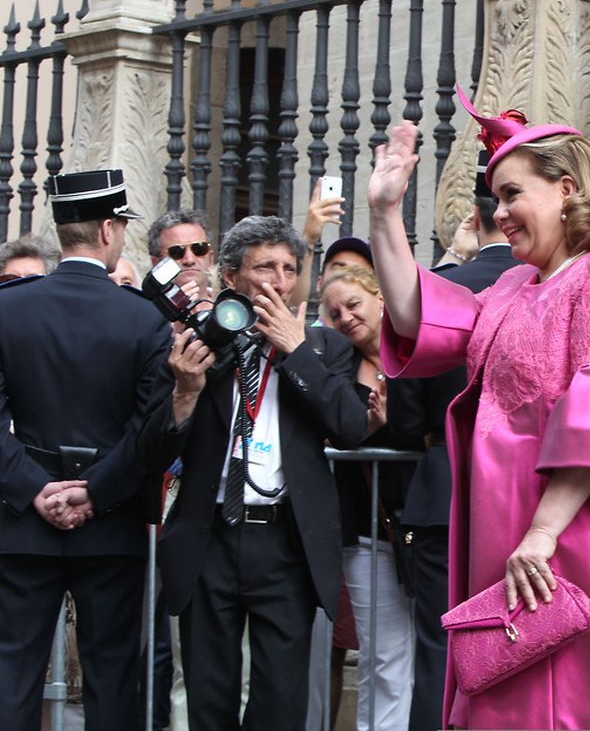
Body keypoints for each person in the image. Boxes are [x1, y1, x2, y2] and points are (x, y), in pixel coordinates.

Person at [368, 91, 590, 729]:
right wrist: (385, 213)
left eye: (511, 194)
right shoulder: (509, 286)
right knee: (504, 695)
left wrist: (543, 532)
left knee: (569, 703)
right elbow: (416, 317)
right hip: (511, 534)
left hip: (573, 531)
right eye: (494, 198)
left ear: (566, 190)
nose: (498, 213)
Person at [145, 215, 367, 730]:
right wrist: (185, 393)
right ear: (229, 276)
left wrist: (296, 351)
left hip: (285, 542)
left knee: (280, 701)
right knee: (210, 698)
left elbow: (351, 426)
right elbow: (151, 450)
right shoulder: (198, 346)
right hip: (210, 539)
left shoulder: (325, 349)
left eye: (290, 269)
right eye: (266, 266)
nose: (281, 281)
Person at [0, 168, 170, 730]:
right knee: (112, 675)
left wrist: (33, 488)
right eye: (121, 226)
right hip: (111, 522)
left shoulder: (9, 308)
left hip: (25, 520)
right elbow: (148, 432)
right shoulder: (145, 318)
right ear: (106, 230)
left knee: (12, 671)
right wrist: (94, 492)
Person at [385, 148, 521, 731]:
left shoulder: (443, 288)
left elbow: (406, 414)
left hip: (443, 490)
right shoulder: (549, 288)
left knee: (440, 646)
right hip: (525, 495)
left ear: (476, 212)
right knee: (522, 640)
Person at [320, 263, 421, 731]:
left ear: (381, 299)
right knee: (380, 654)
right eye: (335, 312)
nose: (346, 317)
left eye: (353, 304)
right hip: (367, 530)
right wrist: (365, 429)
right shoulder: (337, 366)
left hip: (423, 526)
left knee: (418, 654)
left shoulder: (420, 356)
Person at [148, 209, 215, 295]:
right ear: (156, 263)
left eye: (199, 249)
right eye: (176, 252)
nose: (189, 260)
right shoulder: (144, 308)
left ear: (211, 259)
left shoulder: (231, 306)